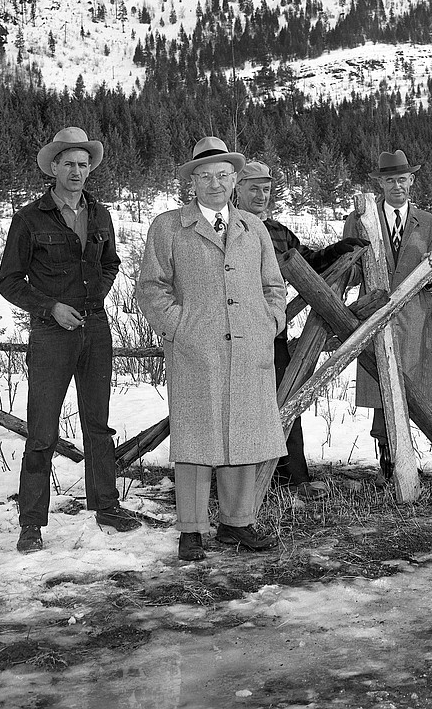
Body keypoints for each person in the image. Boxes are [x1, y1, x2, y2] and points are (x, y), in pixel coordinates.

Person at [136, 137, 287, 562]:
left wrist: (269, 323)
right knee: (196, 437)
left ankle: (238, 524)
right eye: (205, 176)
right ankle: (192, 528)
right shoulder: (168, 227)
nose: (215, 183)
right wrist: (180, 328)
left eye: (223, 175)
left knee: (243, 433)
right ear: (192, 182)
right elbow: (151, 289)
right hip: (195, 349)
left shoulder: (253, 228)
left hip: (249, 346)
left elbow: (273, 287)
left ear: (235, 180)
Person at [0, 126, 141, 554]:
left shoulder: (100, 215)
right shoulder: (29, 218)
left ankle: (107, 507)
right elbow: (8, 280)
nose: (77, 171)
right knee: (42, 427)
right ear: (53, 167)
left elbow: (111, 263)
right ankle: (31, 523)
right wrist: (51, 308)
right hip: (51, 332)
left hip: (95, 329)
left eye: (84, 165)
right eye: (69, 164)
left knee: (98, 423)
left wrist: (97, 296)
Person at [234, 161, 367, 501]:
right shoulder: (227, 227)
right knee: (235, 407)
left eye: (266, 189)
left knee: (284, 399)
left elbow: (308, 262)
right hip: (231, 334)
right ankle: (236, 483)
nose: (261, 195)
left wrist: (337, 250)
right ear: (237, 189)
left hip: (271, 333)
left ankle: (293, 477)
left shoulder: (278, 232)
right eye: (253, 188)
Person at [343, 149, 432, 477]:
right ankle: (388, 461)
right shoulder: (360, 218)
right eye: (390, 180)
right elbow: (350, 271)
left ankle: (407, 457)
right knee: (381, 385)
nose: (397, 186)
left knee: (413, 390)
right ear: (381, 183)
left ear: (412, 180)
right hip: (375, 316)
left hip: (415, 319)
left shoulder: (429, 223)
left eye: (402, 179)